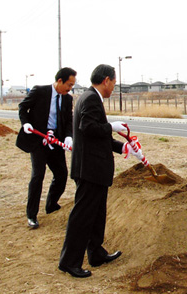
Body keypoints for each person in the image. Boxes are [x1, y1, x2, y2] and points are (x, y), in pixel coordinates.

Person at [58, 64, 128, 278]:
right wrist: (112, 126)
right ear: (106, 80)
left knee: (97, 214)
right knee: (82, 217)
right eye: (114, 83)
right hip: (89, 169)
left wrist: (122, 147)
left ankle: (96, 253)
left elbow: (98, 136)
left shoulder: (90, 97)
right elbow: (88, 128)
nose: (113, 88)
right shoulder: (90, 99)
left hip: (94, 169)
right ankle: (69, 262)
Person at [16, 67, 77, 229]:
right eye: (69, 85)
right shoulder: (40, 91)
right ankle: (32, 215)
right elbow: (23, 107)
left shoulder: (67, 99)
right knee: (38, 175)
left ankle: (51, 205)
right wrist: (26, 123)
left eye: (72, 86)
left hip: (55, 141)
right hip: (38, 141)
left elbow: (68, 120)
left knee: (62, 174)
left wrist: (69, 137)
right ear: (59, 81)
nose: (70, 88)